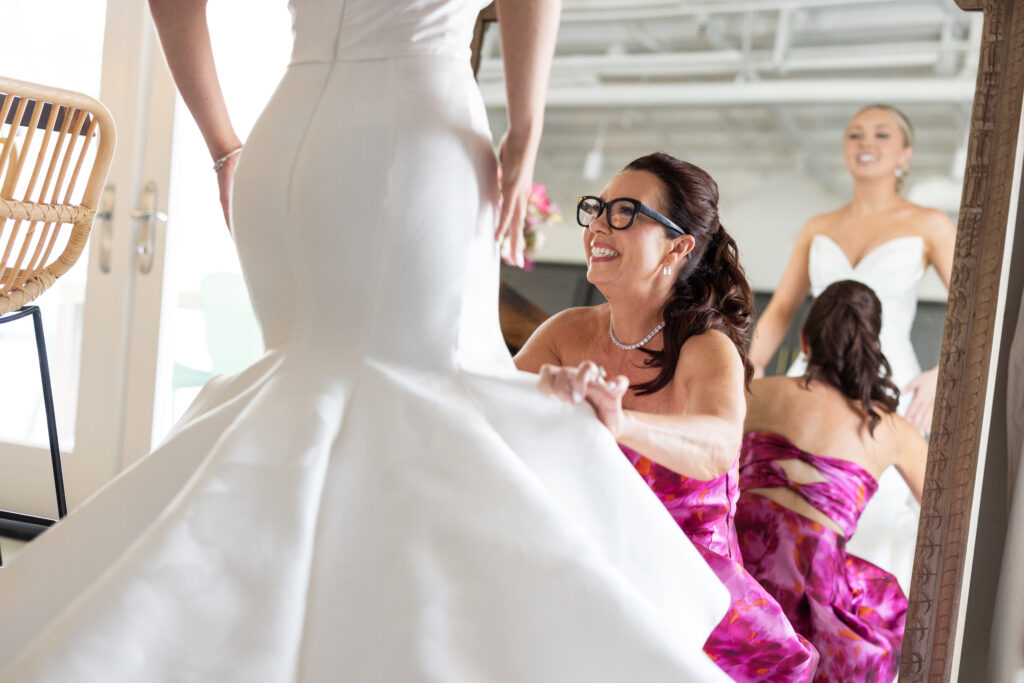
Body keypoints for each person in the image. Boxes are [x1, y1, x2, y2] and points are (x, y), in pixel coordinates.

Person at [0, 1, 737, 681]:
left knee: (309, 391)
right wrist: (525, 123)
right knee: (422, 397)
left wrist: (226, 146)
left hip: (285, 145)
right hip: (414, 132)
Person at [515, 152, 819, 682]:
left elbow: (718, 444)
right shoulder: (566, 331)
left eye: (625, 212)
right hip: (585, 564)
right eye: (597, 209)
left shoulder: (707, 347)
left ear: (678, 247)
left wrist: (621, 422)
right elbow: (496, 416)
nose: (598, 227)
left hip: (687, 592)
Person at [747, 103, 954, 592]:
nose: (866, 143)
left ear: (905, 153)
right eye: (856, 134)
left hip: (886, 381)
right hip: (810, 374)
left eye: (882, 135)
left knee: (867, 511)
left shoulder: (931, 225)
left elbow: (976, 311)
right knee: (783, 495)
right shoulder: (819, 225)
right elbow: (779, 312)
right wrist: (742, 368)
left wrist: (945, 370)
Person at [737, 279, 927, 683]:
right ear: (872, 349)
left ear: (805, 341)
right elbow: (951, 515)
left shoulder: (753, 393)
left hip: (738, 578)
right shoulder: (891, 430)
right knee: (886, 612)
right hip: (810, 601)